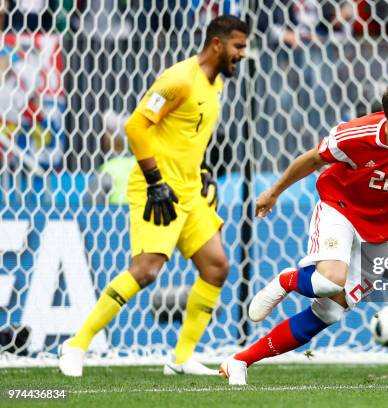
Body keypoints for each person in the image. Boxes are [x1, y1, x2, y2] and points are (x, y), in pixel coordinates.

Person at [220, 79, 388, 385]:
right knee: (327, 280)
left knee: (330, 313)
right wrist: (273, 192)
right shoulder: (355, 134)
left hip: (381, 232)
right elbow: (311, 159)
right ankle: (289, 279)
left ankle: (239, 361)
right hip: (341, 208)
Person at [58, 15, 248, 377]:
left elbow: (189, 136)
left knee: (216, 267)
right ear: (218, 44)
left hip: (191, 188)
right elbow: (136, 125)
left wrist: (203, 171)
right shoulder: (179, 79)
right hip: (157, 187)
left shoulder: (216, 84)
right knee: (146, 270)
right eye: (239, 46)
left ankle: (180, 358)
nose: (243, 53)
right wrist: (155, 180)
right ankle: (77, 344)